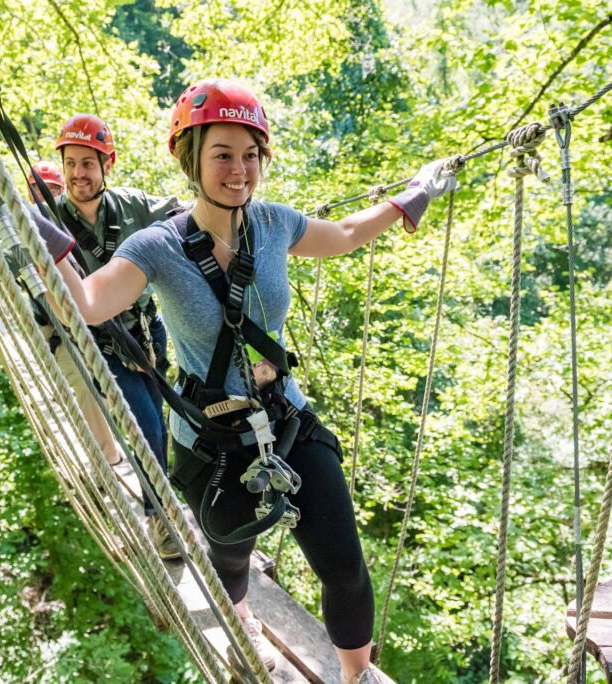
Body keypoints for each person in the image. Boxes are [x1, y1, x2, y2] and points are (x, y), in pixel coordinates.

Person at [51, 80, 458, 683]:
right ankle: (241, 622)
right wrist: (45, 238)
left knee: (345, 566)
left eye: (251, 154)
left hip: (286, 419)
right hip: (211, 438)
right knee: (230, 556)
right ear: (190, 158)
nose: (239, 170)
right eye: (222, 154)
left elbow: (343, 236)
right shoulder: (156, 247)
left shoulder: (274, 224)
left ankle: (357, 676)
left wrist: (411, 198)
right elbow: (86, 304)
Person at [52, 114, 184, 559]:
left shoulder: (132, 207)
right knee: (145, 428)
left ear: (106, 165)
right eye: (70, 163)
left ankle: (162, 500)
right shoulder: (47, 220)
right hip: (100, 342)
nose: (77, 174)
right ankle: (162, 520)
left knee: (161, 423)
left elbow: (182, 212)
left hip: (147, 333)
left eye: (87, 163)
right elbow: (19, 253)